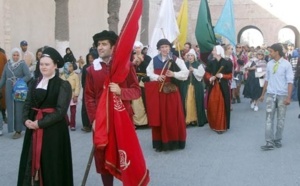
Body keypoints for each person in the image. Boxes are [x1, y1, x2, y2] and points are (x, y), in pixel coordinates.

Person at [85, 30, 141, 186]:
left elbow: (136, 91)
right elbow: (89, 97)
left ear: (113, 47)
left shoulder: (126, 66)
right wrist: (94, 119)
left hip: (123, 119)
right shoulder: (91, 70)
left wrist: (121, 91)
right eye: (98, 44)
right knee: (102, 157)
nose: (100, 47)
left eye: (104, 44)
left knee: (125, 155)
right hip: (101, 121)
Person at [17, 47, 73, 185]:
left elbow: (60, 111)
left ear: (55, 65)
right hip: (33, 128)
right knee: (31, 159)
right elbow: (27, 103)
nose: (43, 67)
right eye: (41, 64)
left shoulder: (63, 85)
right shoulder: (34, 82)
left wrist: (40, 123)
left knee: (51, 162)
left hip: (54, 131)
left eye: (47, 64)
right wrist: (26, 120)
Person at [145, 38, 188, 151]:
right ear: (159, 49)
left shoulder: (175, 59)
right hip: (159, 92)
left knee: (172, 116)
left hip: (172, 92)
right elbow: (149, 72)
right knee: (160, 116)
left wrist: (174, 74)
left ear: (169, 48)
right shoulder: (154, 60)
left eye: (166, 47)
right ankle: (161, 142)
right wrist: (157, 77)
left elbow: (185, 73)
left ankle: (174, 141)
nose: (165, 49)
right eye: (162, 47)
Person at [259, 43, 293, 150]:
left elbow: (290, 82)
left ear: (277, 52)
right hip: (271, 94)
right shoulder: (269, 64)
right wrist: (262, 94)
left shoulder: (286, 64)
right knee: (269, 118)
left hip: (282, 95)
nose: (269, 53)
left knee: (281, 119)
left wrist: (288, 97)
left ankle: (278, 139)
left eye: (271, 51)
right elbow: (267, 79)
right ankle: (269, 142)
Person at [0, 48, 31, 138]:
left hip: (19, 88)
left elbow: (28, 75)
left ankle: (18, 130)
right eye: (14, 55)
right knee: (10, 108)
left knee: (19, 108)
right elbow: (3, 78)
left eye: (17, 55)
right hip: (9, 88)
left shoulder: (22, 64)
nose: (16, 57)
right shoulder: (7, 65)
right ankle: (12, 128)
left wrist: (19, 81)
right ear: (11, 55)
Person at [204, 45, 232, 134]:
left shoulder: (227, 62)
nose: (212, 52)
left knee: (222, 106)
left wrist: (222, 76)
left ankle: (221, 125)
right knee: (212, 105)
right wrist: (210, 77)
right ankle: (214, 124)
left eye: (214, 50)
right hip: (213, 87)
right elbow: (207, 73)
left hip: (223, 87)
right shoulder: (211, 62)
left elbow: (230, 75)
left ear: (219, 52)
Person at [180, 49, 207, 126]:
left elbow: (201, 74)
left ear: (194, 56)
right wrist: (186, 72)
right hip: (187, 86)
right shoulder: (184, 64)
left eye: (191, 55)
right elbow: (181, 74)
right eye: (188, 55)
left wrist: (194, 70)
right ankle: (188, 119)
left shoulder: (198, 64)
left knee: (196, 102)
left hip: (196, 86)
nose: (190, 57)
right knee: (188, 103)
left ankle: (196, 119)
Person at [131, 41, 150, 127]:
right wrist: (133, 63)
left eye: (139, 47)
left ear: (141, 48)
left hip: (144, 80)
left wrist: (143, 61)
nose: (137, 49)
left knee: (145, 99)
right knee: (134, 100)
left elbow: (150, 69)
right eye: (136, 47)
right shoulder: (130, 58)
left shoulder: (147, 57)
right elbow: (128, 68)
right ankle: (135, 121)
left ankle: (147, 120)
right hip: (134, 80)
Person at [60, 62, 80, 131]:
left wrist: (76, 95)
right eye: (69, 66)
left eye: (71, 66)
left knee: (73, 111)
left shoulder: (75, 75)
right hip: (65, 96)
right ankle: (67, 122)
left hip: (73, 95)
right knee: (64, 111)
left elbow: (77, 86)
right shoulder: (62, 76)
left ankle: (72, 125)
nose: (71, 68)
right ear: (65, 67)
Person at [80, 53, 94, 132]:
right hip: (86, 90)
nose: (91, 59)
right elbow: (83, 80)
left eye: (92, 57)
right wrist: (85, 88)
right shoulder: (85, 67)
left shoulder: (97, 67)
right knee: (85, 107)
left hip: (95, 90)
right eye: (89, 58)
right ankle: (86, 125)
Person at [0, 48, 7, 125]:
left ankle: (4, 116)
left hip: (1, 80)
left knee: (2, 100)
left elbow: (5, 68)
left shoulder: (2, 55)